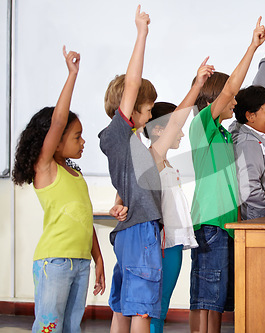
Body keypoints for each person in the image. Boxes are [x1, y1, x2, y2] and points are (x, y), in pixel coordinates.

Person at [12, 47, 105, 333]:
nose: (83, 142)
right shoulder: (45, 169)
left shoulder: (74, 175)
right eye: (77, 136)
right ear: (55, 140)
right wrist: (72, 75)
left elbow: (83, 219)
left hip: (79, 262)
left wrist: (98, 259)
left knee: (71, 328)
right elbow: (58, 121)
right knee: (49, 327)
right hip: (55, 263)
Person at [189, 17, 265, 333]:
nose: (235, 102)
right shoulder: (203, 128)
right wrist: (253, 46)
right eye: (229, 97)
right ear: (214, 101)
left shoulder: (224, 134)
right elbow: (233, 88)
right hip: (210, 226)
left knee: (217, 301)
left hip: (226, 226)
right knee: (206, 300)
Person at [99, 6, 162, 332]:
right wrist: (142, 33)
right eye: (148, 110)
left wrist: (120, 201)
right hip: (139, 231)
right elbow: (133, 82)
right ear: (130, 108)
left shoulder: (129, 143)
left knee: (125, 304)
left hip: (130, 229)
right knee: (141, 309)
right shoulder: (119, 134)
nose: (150, 117)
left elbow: (126, 182)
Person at [146, 57, 215, 333]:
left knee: (159, 309)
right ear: (160, 130)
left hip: (173, 244)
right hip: (162, 245)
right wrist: (198, 85)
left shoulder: (164, 163)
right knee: (156, 308)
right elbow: (177, 121)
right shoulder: (154, 157)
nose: (182, 133)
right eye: (174, 127)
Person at [229, 86, 265, 219]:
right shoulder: (248, 142)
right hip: (259, 218)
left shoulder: (261, 133)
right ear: (250, 116)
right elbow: (249, 188)